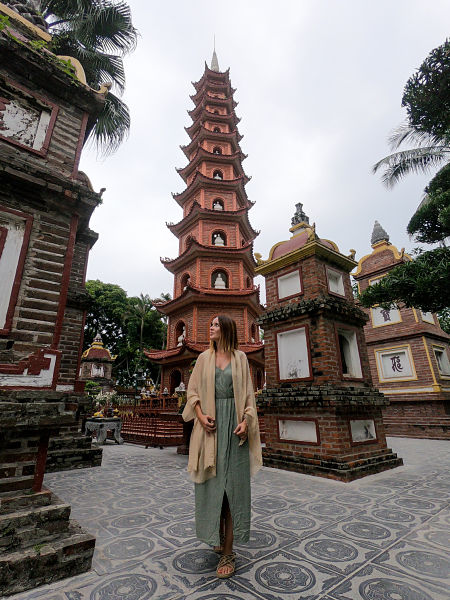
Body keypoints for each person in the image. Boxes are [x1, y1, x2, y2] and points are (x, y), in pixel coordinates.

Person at [182, 315, 262, 578]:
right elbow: (192, 392)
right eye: (211, 324)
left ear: (226, 329)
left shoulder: (241, 358)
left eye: (215, 325)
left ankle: (229, 551)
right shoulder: (203, 359)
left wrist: (246, 421)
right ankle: (215, 536)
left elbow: (249, 396)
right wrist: (201, 416)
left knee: (232, 492)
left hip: (234, 430)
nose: (211, 328)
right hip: (210, 429)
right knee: (212, 487)